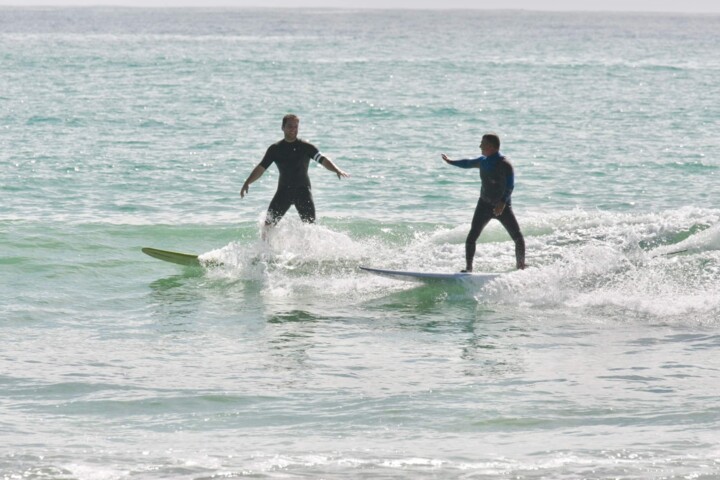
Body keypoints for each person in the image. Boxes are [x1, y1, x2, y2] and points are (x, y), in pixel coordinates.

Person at [240, 114, 349, 232]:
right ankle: (265, 250)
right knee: (268, 226)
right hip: (283, 191)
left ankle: (310, 250)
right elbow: (261, 168)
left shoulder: (306, 147)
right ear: (282, 127)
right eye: (290, 126)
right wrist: (247, 182)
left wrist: (336, 169)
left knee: (310, 227)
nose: (293, 129)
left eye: (296, 126)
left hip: (302, 191)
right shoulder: (275, 149)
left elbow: (323, 160)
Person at [441, 133, 525, 271]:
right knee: (471, 237)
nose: (480, 146)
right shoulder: (483, 161)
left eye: (482, 143)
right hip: (484, 205)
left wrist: (503, 202)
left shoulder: (505, 164)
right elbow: (467, 163)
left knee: (518, 237)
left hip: (502, 207)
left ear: (491, 147)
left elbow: (510, 185)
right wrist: (450, 161)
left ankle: (520, 266)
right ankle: (468, 268)